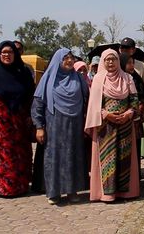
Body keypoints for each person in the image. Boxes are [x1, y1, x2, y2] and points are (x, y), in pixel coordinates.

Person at [31, 48, 89, 204]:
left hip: (75, 125)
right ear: (58, 60)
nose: (69, 60)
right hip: (54, 125)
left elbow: (87, 100)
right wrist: (39, 127)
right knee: (54, 157)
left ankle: (72, 191)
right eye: (65, 58)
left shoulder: (78, 78)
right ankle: (53, 193)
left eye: (71, 57)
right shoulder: (48, 79)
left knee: (73, 156)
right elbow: (38, 105)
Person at [84, 49, 140, 202]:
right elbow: (93, 104)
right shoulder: (98, 79)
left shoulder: (127, 78)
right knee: (108, 158)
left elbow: (134, 100)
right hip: (105, 126)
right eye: (107, 60)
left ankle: (125, 192)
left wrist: (128, 114)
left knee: (124, 156)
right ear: (103, 61)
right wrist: (106, 114)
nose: (110, 62)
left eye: (113, 59)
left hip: (125, 124)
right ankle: (107, 193)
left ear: (117, 61)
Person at [0, 41, 35, 197]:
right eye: (3, 52)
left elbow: (31, 94)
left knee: (18, 154)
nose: (7, 55)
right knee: (0, 154)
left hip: (19, 120)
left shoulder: (23, 72)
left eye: (10, 52)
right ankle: (0, 187)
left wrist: (31, 115)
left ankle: (19, 187)